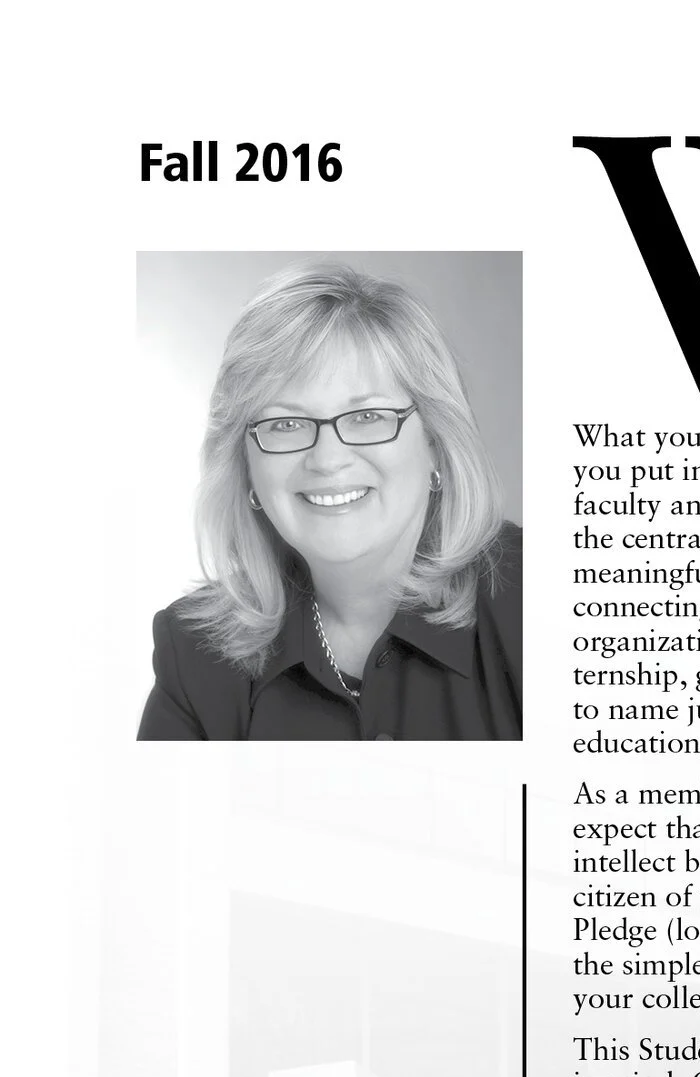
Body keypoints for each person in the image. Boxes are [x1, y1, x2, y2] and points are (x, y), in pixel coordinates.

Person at [139, 263, 521, 740]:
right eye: (285, 424)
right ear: (247, 468)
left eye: (367, 415)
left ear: (436, 444)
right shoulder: (195, 652)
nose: (327, 459)